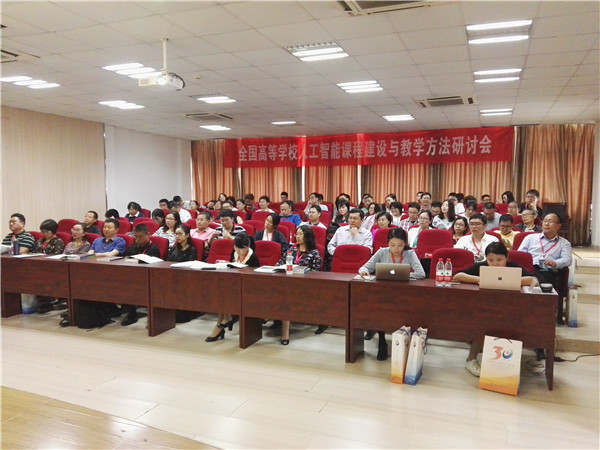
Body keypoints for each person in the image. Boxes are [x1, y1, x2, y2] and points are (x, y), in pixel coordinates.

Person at [453, 242, 538, 377]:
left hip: (512, 308)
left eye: (499, 260)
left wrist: (507, 280)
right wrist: (481, 278)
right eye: (491, 260)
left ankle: (507, 362)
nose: (495, 264)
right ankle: (471, 359)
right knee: (482, 323)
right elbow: (457, 276)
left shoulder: (513, 266)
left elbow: (533, 280)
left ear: (507, 258)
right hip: (486, 308)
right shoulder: (482, 266)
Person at [358, 228, 425, 361]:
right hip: (384, 292)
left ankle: (406, 340)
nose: (396, 249)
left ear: (405, 243)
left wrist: (404, 275)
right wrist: (364, 272)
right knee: (380, 308)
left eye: (400, 245)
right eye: (392, 245)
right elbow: (364, 267)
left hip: (404, 293)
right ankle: (382, 340)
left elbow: (421, 273)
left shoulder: (410, 253)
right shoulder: (382, 252)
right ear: (388, 243)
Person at [518, 213, 572, 324]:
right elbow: (519, 255)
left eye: (551, 221)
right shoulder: (530, 238)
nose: (546, 223)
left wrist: (555, 263)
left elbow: (567, 259)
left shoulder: (564, 243)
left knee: (545, 276)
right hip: (529, 269)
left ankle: (538, 312)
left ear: (558, 226)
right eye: (545, 221)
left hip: (548, 270)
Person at [205, 234, 259, 343]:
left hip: (248, 288)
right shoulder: (234, 252)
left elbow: (253, 279)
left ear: (247, 247)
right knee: (221, 293)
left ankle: (220, 325)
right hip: (234, 285)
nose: (238, 251)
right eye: (236, 248)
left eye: (242, 249)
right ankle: (225, 319)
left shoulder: (253, 257)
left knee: (225, 297)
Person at [276, 226, 322, 343]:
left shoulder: (314, 253)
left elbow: (315, 274)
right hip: (286, 283)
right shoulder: (291, 250)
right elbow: (279, 264)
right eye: (297, 234)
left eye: (301, 234)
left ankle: (285, 333)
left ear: (307, 236)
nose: (297, 236)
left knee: (286, 298)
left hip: (303, 286)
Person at [121, 224, 162, 326]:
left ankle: (134, 315)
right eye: (136, 237)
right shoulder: (132, 247)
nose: (138, 239)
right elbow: (125, 259)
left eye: (140, 237)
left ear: (147, 235)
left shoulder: (153, 248)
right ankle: (130, 312)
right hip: (132, 275)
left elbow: (154, 263)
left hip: (149, 277)